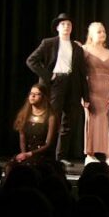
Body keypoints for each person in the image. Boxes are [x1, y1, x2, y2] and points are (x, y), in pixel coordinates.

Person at [26, 13, 90, 164]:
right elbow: (31, 60)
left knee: (68, 121)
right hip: (55, 84)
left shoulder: (77, 47)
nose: (66, 26)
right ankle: (44, 154)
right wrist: (49, 76)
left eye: (69, 24)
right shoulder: (49, 43)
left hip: (72, 85)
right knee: (51, 118)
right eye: (63, 24)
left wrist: (85, 96)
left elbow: (82, 73)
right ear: (57, 27)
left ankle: (61, 157)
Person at [83, 22, 109, 165]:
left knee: (105, 122)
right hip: (90, 89)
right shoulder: (84, 50)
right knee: (91, 120)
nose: (102, 34)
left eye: (103, 31)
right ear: (91, 35)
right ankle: (89, 155)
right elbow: (80, 74)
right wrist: (82, 95)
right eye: (98, 31)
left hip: (105, 92)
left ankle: (107, 154)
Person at [13, 84, 58, 163]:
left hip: (43, 156)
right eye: (31, 93)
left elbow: (48, 144)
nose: (32, 96)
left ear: (43, 97)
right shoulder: (24, 115)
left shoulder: (51, 117)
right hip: (26, 155)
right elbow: (22, 138)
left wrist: (30, 154)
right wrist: (24, 154)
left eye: (36, 94)